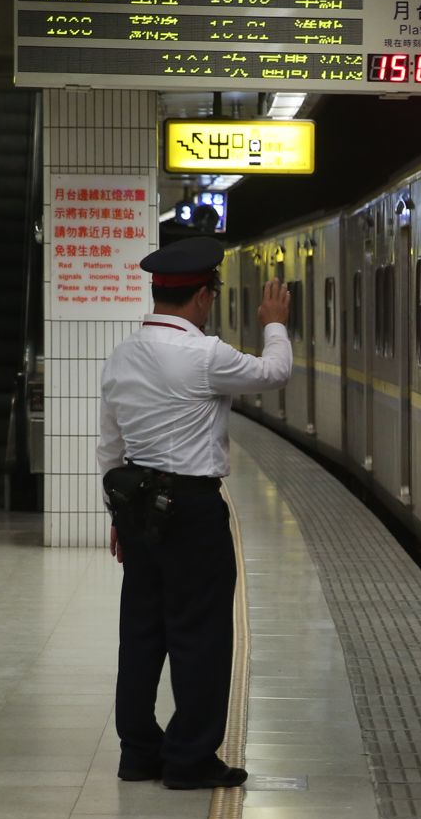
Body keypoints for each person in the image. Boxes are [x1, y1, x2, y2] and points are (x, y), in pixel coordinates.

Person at [96, 236, 291, 789]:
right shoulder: (205, 355)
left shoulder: (121, 357)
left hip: (137, 508)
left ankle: (138, 752)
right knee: (200, 634)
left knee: (141, 632)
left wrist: (118, 518)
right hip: (192, 511)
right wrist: (275, 325)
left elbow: (110, 449)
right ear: (204, 296)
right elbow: (274, 373)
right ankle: (189, 759)